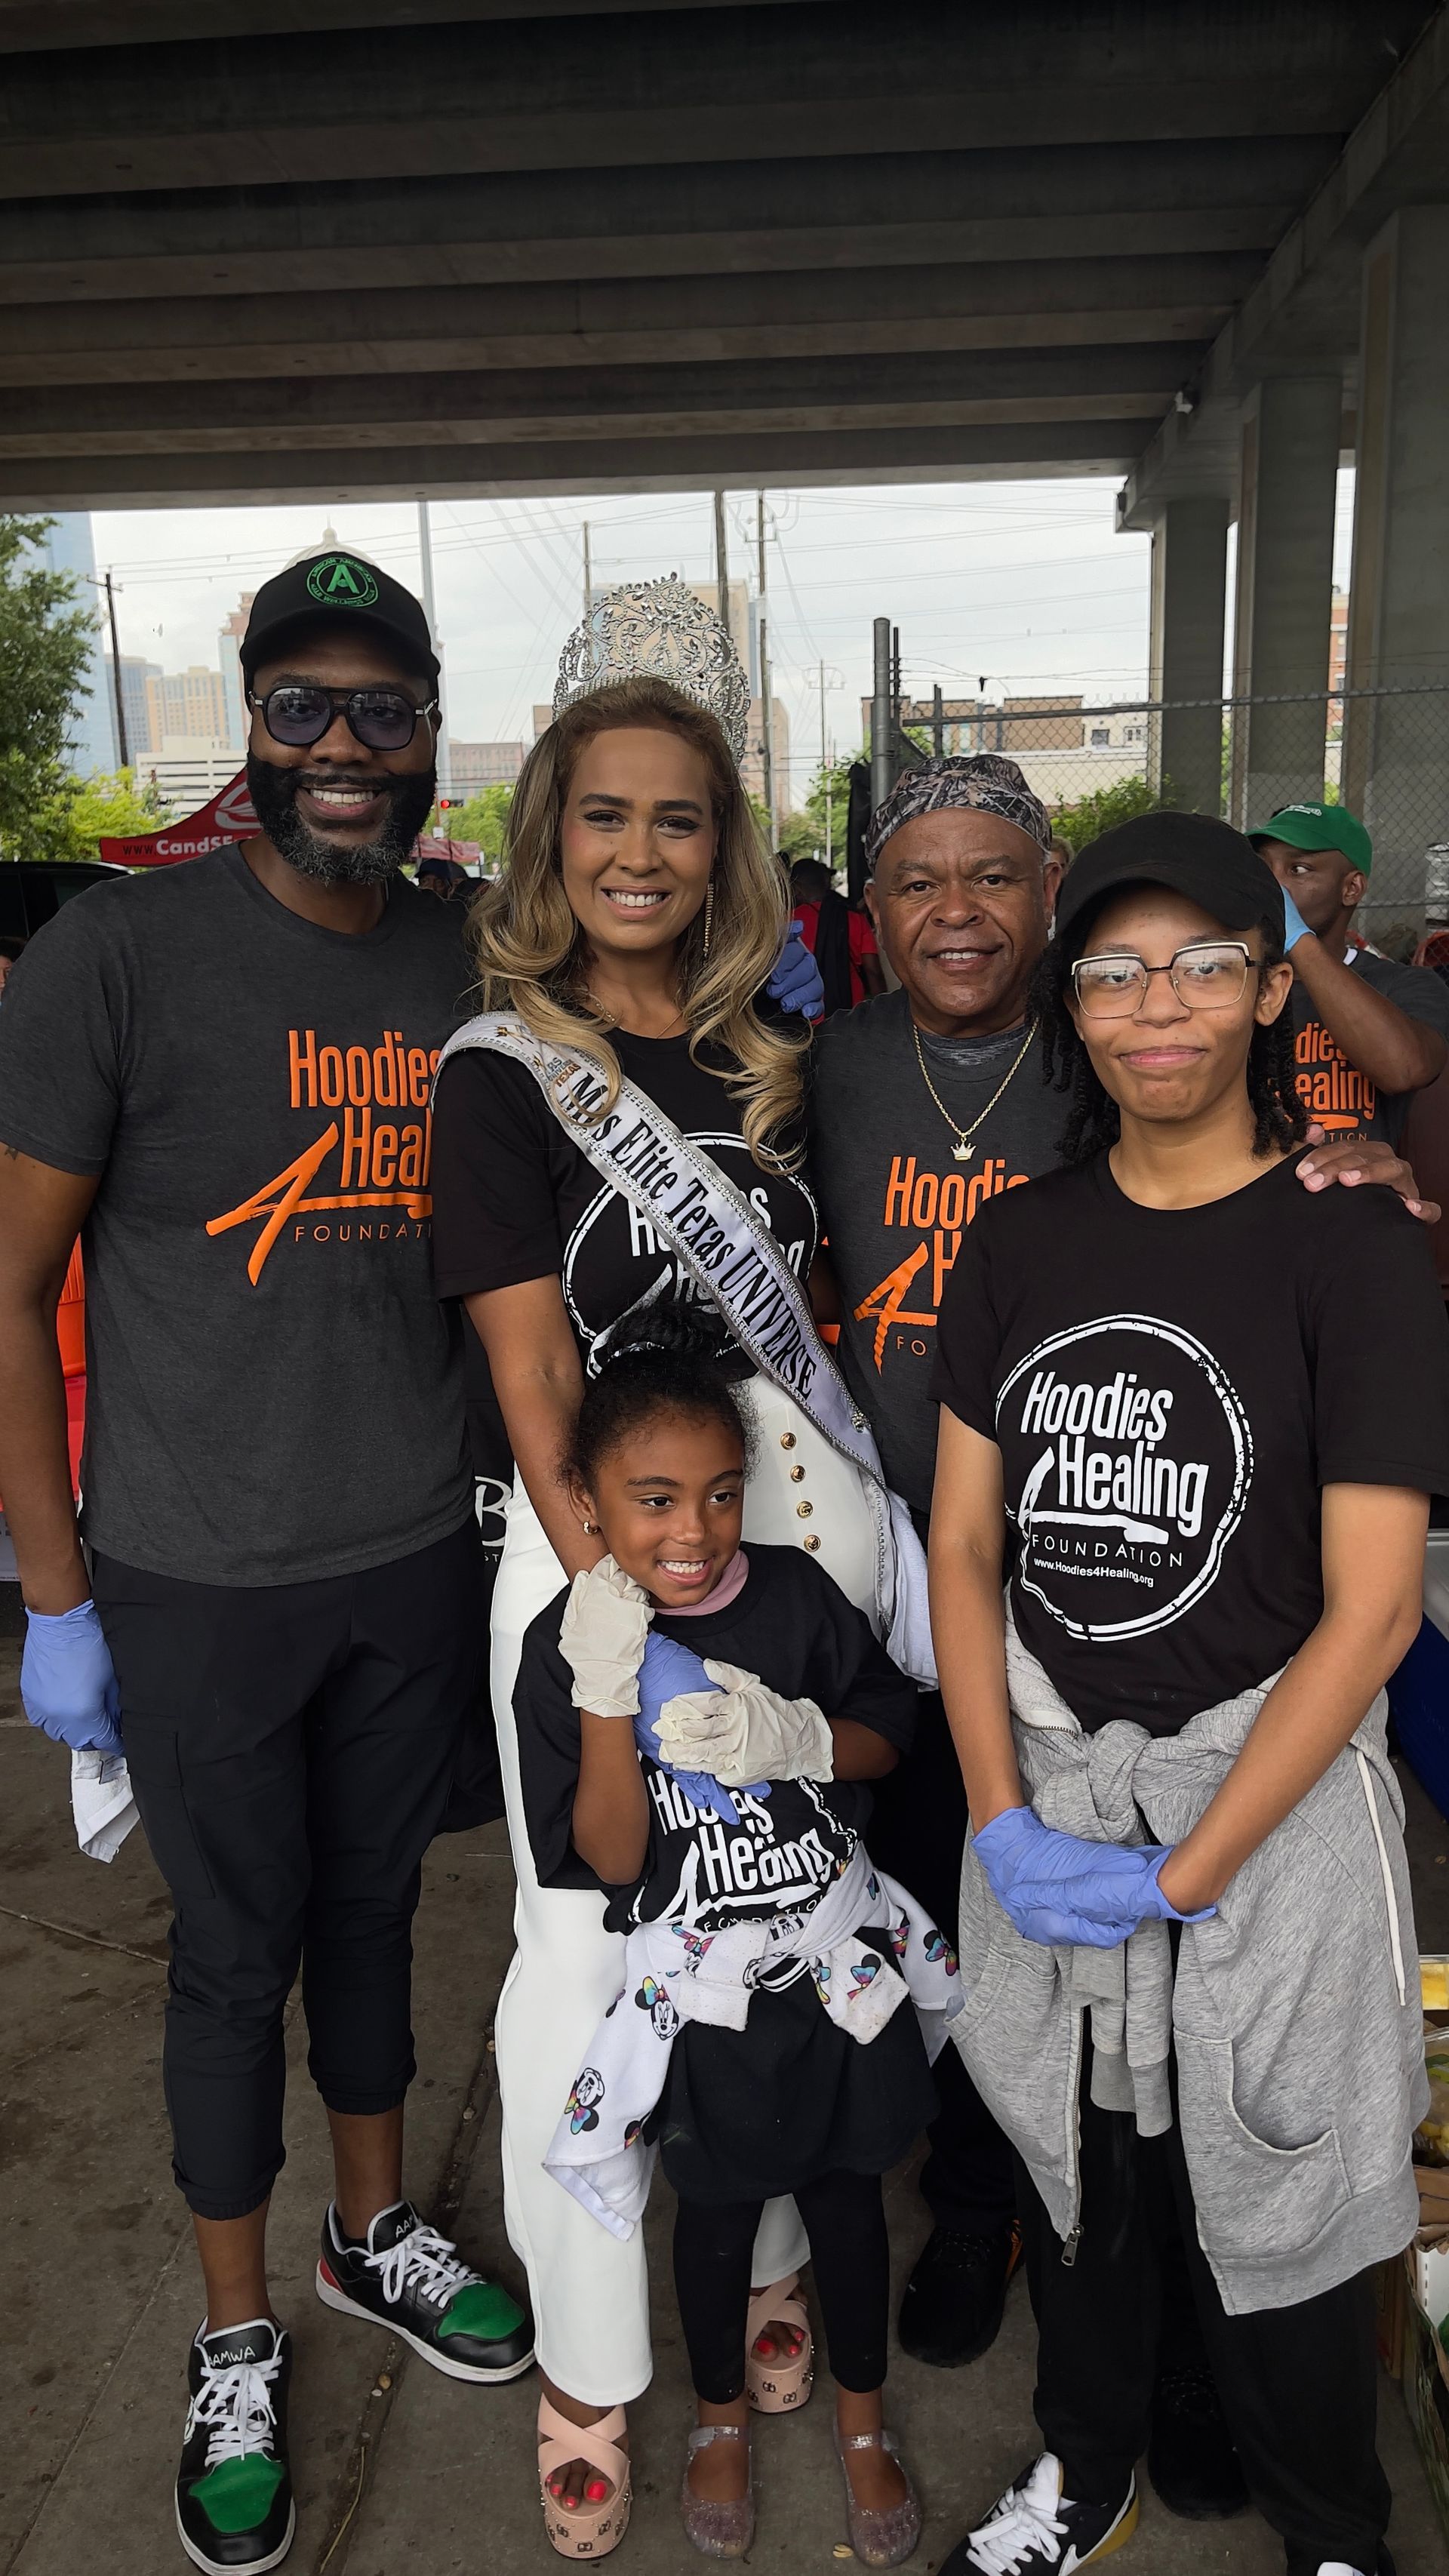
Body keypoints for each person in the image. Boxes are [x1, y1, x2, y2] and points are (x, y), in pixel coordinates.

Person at [807, 754, 1435, 2501]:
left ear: (1262, 977)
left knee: (1262, 2135)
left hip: (1252, 1764)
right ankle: (1071, 2426)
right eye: (1117, 972)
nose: (1157, 1005)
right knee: (1066, 2104)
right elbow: (960, 1535)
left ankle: (1296, 2484)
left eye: (1201, 963)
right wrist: (1008, 1809)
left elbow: (1372, 1599)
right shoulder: (962, 1183)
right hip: (1027, 1716)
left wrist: (1189, 1864)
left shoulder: (1346, 1236)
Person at [0, 547, 537, 2576]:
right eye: (300, 704)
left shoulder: (472, 954)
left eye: (380, 710)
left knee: (379, 1913)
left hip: (408, 1551)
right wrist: (59, 1603)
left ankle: (371, 2227)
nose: (341, 747)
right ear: (250, 718)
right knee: (232, 1962)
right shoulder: (114, 960)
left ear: (423, 730)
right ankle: (233, 2333)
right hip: (193, 1574)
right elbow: (11, 1286)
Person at [427, 577, 928, 2554]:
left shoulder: (778, 1062)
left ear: (725, 847)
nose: (641, 850)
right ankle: (593, 2349)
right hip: (599, 1569)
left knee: (783, 1905)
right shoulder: (500, 1069)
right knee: (587, 1943)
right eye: (606, 812)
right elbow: (531, 1367)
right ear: (553, 828)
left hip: (780, 1545)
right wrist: (628, 1616)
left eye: (681, 816)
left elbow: (808, 1329)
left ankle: (769, 2251)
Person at [512, 1300, 952, 2562]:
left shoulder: (800, 1595)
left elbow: (891, 1732)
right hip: (701, 1998)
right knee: (710, 2216)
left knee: (849, 2203)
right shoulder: (572, 1646)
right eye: (652, 1499)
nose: (692, 1530)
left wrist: (802, 1737)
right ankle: (717, 2418)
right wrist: (607, 1697)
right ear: (589, 1503)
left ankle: (862, 2427)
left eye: (716, 1493)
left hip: (832, 1974)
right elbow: (606, 1857)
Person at [1249, 799, 1449, 1143]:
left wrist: (1297, 940)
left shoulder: (1405, 984)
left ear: (1351, 888)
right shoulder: (1238, 982)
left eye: (1298, 870)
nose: (1272, 886)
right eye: (1262, 869)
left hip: (1358, 1186)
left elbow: (1403, 1070)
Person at [789, 854, 884, 1014]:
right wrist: (884, 1010)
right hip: (850, 1014)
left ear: (796, 888)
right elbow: (872, 970)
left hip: (802, 1015)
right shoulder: (854, 917)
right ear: (826, 884)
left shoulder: (787, 921)